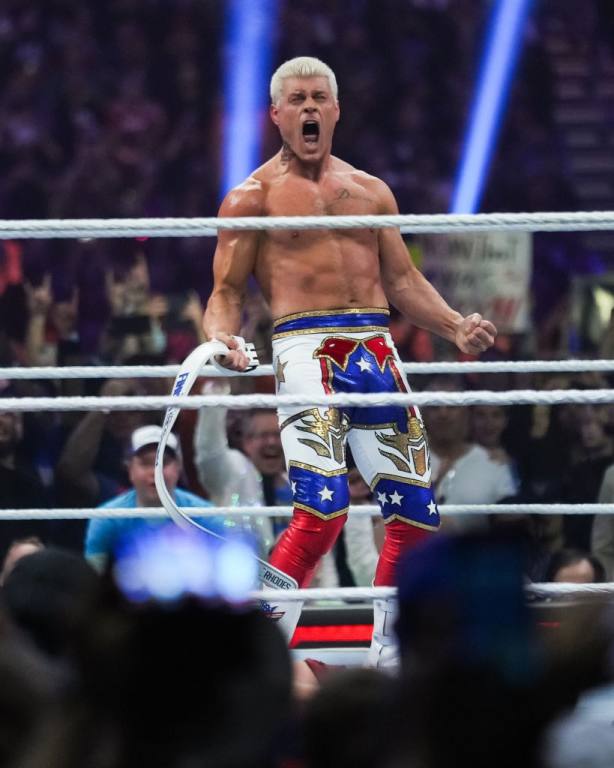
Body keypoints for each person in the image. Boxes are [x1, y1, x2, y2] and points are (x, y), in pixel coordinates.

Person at [202, 56, 496, 664]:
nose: (309, 109)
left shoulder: (371, 191)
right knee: (321, 513)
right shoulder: (250, 198)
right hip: (305, 351)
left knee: (415, 516)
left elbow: (404, 279)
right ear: (276, 115)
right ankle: (255, 658)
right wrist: (223, 341)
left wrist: (454, 326)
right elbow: (226, 293)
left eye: (319, 99)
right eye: (298, 100)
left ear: (336, 110)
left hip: (376, 350)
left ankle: (390, 660)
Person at [84, 425, 225, 569]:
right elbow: (94, 581)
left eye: (164, 462)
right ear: (130, 469)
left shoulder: (205, 515)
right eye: (145, 463)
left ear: (178, 468)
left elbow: (230, 572)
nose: (155, 472)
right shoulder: (106, 519)